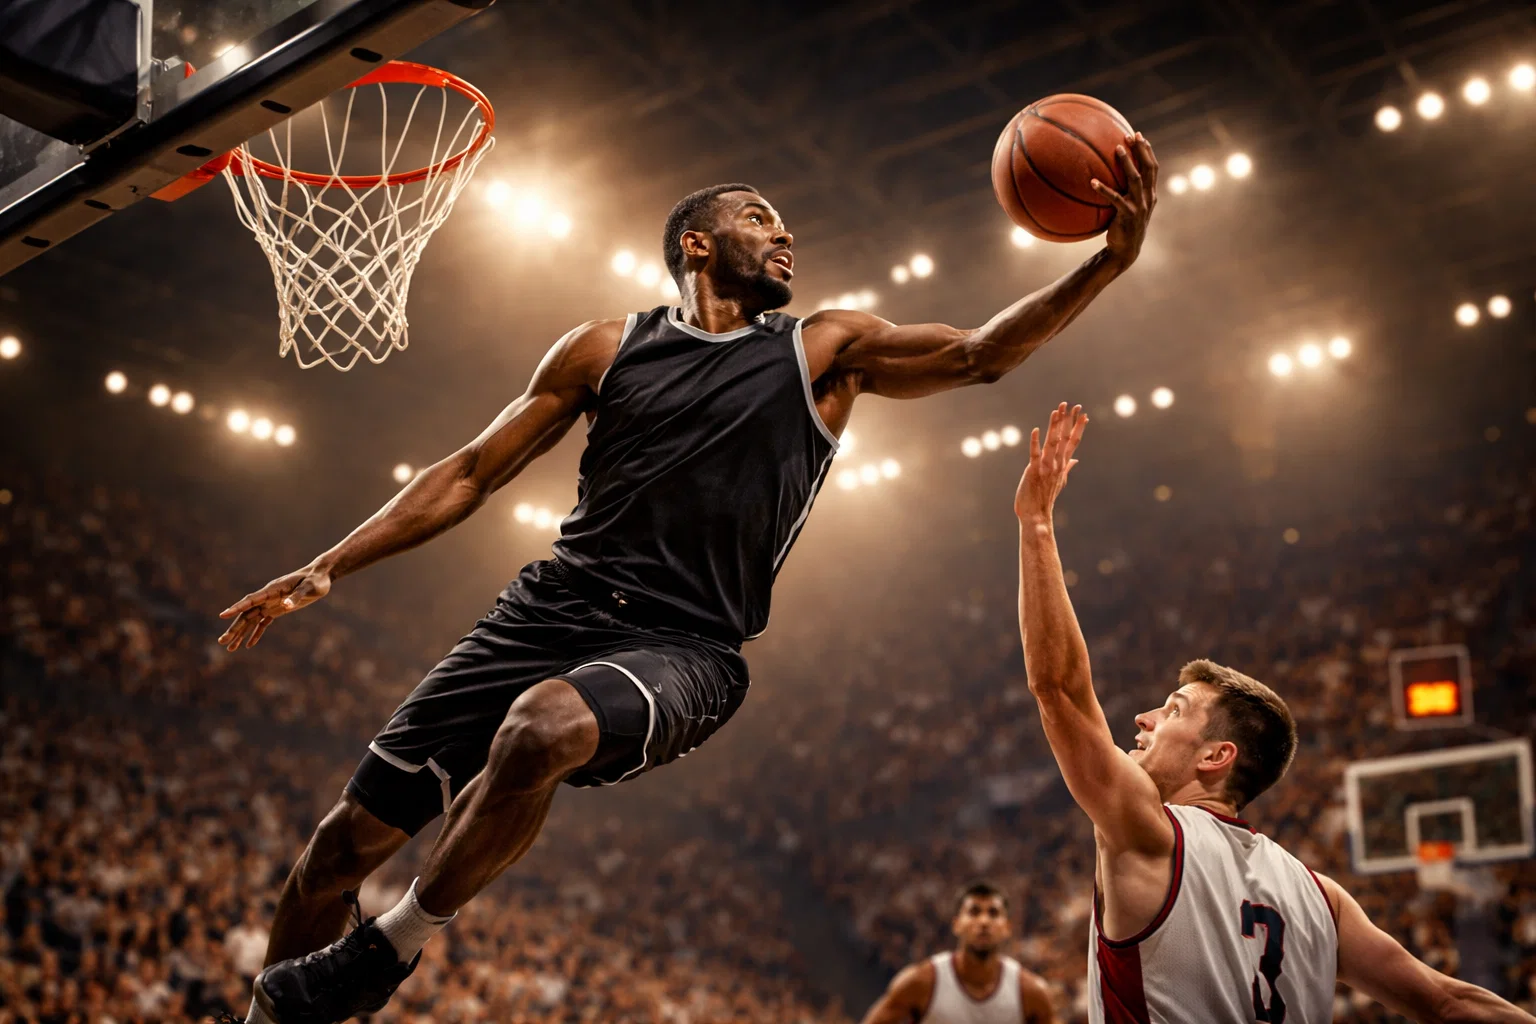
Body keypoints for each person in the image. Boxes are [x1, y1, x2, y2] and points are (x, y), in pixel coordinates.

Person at [215, 135, 1158, 1024]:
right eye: (760, 217)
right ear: (697, 244)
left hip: (687, 644)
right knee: (332, 856)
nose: (785, 232)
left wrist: (1107, 263)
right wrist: (329, 563)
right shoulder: (603, 347)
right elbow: (469, 472)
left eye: (784, 221)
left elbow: (979, 354)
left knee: (541, 729)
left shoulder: (823, 349)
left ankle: (391, 947)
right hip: (547, 610)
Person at [1012, 403, 1536, 1024]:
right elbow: (1449, 1001)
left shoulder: (1151, 835)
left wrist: (1037, 525)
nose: (1144, 719)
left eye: (1173, 709)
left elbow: (1060, 691)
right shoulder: (1322, 898)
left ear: (1216, 755)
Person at [860, 881, 1055, 1024]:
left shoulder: (1031, 993)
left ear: (1007, 927)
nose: (984, 922)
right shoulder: (921, 982)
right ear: (957, 925)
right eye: (974, 912)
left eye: (993, 913)